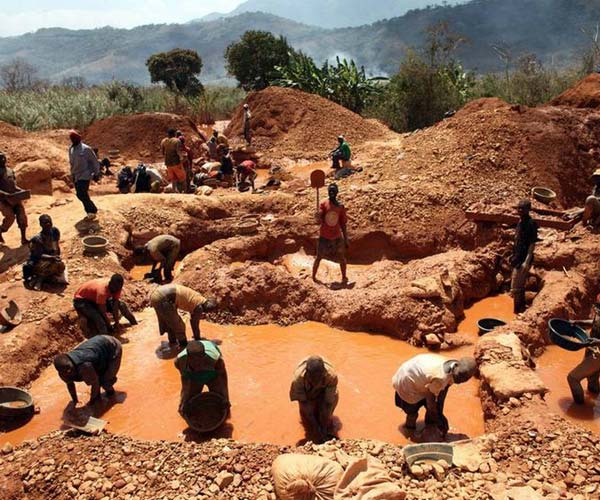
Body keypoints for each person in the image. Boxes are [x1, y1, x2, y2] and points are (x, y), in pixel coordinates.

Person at [392, 354, 477, 435]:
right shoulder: (441, 377)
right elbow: (431, 402)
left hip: (421, 375)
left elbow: (444, 389)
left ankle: (429, 427)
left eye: (465, 378)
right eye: (460, 375)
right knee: (412, 413)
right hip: (407, 382)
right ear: (457, 366)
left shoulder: (453, 365)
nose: (461, 379)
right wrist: (439, 418)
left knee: (434, 410)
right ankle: (409, 432)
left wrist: (440, 412)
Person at [53, 335, 122, 404]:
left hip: (112, 347)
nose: (69, 371)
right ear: (60, 372)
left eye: (70, 369)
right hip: (98, 349)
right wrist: (75, 401)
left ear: (72, 363)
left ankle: (112, 396)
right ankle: (100, 399)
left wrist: (92, 401)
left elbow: (95, 383)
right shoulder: (62, 371)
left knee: (105, 382)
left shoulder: (84, 365)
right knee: (97, 379)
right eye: (66, 372)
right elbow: (70, 384)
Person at [290, 356, 339, 443]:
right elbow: (303, 402)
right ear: (307, 374)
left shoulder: (331, 376)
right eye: (313, 378)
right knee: (307, 416)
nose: (316, 380)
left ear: (323, 373)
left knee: (326, 412)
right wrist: (314, 427)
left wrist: (324, 424)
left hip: (325, 388)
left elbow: (328, 401)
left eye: (318, 378)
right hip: (306, 389)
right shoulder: (298, 379)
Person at [175, 339, 230, 416]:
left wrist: (226, 397)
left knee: (221, 402)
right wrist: (183, 401)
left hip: (213, 376)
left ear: (204, 356)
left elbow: (223, 379)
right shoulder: (179, 362)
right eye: (194, 361)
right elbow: (185, 382)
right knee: (188, 404)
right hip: (194, 377)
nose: (197, 364)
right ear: (188, 358)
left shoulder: (216, 360)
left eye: (200, 361)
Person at [150, 284, 217, 347]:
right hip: (163, 299)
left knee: (170, 323)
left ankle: (172, 344)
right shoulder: (199, 307)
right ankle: (183, 346)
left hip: (157, 295)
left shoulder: (199, 297)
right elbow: (194, 324)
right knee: (180, 326)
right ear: (207, 309)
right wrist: (198, 340)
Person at [312, 183, 349, 283]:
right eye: (330, 190)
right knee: (319, 257)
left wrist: (346, 239)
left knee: (342, 258)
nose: (331, 192)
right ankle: (313, 277)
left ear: (337, 192)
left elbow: (343, 224)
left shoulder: (340, 207)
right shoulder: (324, 204)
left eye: (333, 190)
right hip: (324, 236)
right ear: (328, 192)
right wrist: (318, 216)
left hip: (337, 236)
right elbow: (319, 218)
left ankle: (344, 277)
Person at [567, 300, 600, 404]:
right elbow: (595, 323)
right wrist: (579, 322)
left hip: (597, 354)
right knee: (592, 382)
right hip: (593, 350)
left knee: (573, 378)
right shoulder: (599, 314)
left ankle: (580, 408)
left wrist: (598, 342)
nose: (596, 308)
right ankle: (596, 403)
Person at [23, 214, 66, 290]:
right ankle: (40, 279)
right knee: (44, 267)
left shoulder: (54, 231)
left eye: (49, 221)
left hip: (50, 257)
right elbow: (38, 255)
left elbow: (56, 246)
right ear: (41, 224)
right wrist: (52, 257)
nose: (48, 224)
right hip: (38, 260)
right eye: (45, 222)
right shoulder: (37, 239)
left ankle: (42, 278)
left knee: (61, 266)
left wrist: (57, 256)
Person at [510, 199, 538, 314]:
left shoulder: (531, 224)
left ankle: (518, 310)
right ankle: (519, 309)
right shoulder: (520, 221)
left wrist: (527, 262)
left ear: (528, 210)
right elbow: (518, 240)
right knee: (518, 285)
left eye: (523, 208)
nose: (520, 210)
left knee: (516, 286)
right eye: (519, 208)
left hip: (524, 258)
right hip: (517, 257)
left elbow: (532, 243)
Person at [68, 130, 100, 220]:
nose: (73, 139)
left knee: (82, 193)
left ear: (79, 138)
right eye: (72, 138)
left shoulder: (86, 149)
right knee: (79, 194)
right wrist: (72, 175)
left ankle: (91, 211)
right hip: (76, 175)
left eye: (75, 138)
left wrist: (96, 173)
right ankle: (92, 209)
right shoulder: (71, 149)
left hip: (85, 174)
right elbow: (72, 163)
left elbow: (94, 161)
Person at [0, 151, 28, 245]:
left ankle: (23, 238)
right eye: (0, 158)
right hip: (3, 201)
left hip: (15, 198)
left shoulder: (10, 170)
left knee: (22, 217)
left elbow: (14, 185)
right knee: (10, 218)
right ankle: (1, 230)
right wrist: (5, 194)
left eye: (4, 157)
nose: (3, 159)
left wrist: (21, 191)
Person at [160, 128, 185, 192]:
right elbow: (178, 152)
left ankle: (174, 191)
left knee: (173, 178)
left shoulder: (164, 141)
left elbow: (162, 152)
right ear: (174, 134)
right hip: (176, 163)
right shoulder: (177, 141)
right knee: (182, 177)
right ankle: (183, 191)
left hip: (168, 163)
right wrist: (182, 159)